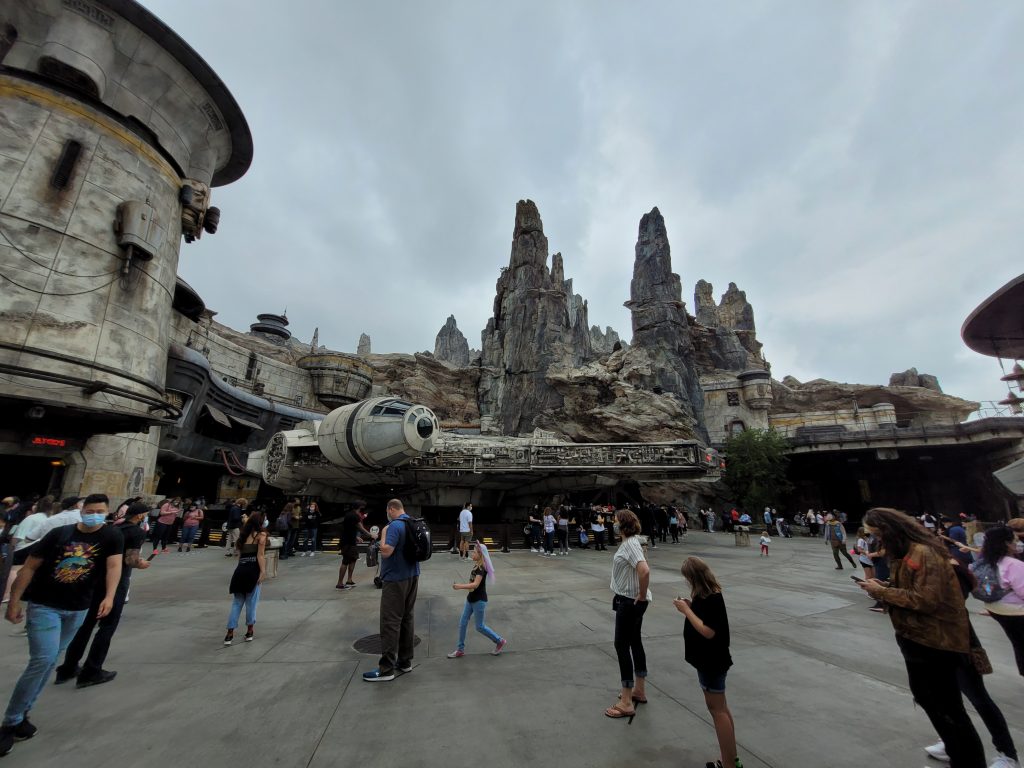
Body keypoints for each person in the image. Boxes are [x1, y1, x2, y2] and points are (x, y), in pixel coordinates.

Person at [858, 507, 986, 767]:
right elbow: (912, 590)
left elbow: (926, 599)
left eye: (877, 533)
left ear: (890, 530)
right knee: (929, 700)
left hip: (935, 643)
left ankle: (968, 761)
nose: (877, 540)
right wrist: (884, 587)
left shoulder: (923, 553)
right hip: (915, 639)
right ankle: (956, 753)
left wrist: (883, 594)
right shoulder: (905, 553)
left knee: (949, 710)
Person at [0, 494, 123, 757]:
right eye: (90, 510)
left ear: (107, 512)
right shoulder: (59, 534)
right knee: (42, 659)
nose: (94, 515)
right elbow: (29, 568)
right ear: (81, 510)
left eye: (99, 511)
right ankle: (10, 722)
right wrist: (14, 601)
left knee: (51, 659)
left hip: (78, 608)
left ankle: (22, 714)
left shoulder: (112, 536)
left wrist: (110, 596)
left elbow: (114, 567)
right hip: (45, 605)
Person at [923, 557, 1020, 768]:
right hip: (932, 646)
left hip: (957, 646)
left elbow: (954, 594)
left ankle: (1008, 754)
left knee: (979, 699)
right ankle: (953, 744)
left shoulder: (942, 567)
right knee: (947, 701)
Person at [55, 501, 150, 687]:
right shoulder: (136, 532)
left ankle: (68, 668)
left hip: (94, 580)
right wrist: (142, 563)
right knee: (107, 626)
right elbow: (130, 560)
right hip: (115, 582)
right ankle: (92, 670)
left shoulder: (110, 528)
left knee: (85, 625)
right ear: (140, 516)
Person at [674, 557, 738, 768]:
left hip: (711, 661)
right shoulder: (710, 594)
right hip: (713, 660)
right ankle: (730, 759)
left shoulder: (709, 598)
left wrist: (687, 611)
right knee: (722, 709)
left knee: (717, 711)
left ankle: (729, 764)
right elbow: (708, 619)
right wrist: (692, 606)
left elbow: (708, 631)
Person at [363, 499, 419, 682]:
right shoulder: (411, 522)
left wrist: (381, 538)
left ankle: (386, 669)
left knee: (390, 622)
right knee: (407, 618)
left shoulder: (394, 526)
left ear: (391, 509)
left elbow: (386, 551)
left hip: (395, 580)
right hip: (412, 576)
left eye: (388, 511)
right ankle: (405, 661)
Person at [605, 509, 650, 721]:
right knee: (635, 642)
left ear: (623, 525)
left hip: (629, 601)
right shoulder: (633, 543)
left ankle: (626, 701)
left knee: (621, 645)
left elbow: (644, 570)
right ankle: (639, 690)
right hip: (633, 600)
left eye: (615, 521)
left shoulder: (631, 544)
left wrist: (640, 594)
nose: (612, 524)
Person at [972, 525, 1024, 677]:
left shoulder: (987, 561)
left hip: (996, 609)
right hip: (1017, 612)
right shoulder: (1013, 564)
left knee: (1018, 643)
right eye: (1015, 540)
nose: (1018, 542)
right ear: (1007, 543)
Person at [447, 541, 506, 658]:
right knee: (462, 623)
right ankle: (460, 649)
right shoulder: (477, 565)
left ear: (480, 554)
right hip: (471, 599)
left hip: (479, 601)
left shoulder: (481, 568)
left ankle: (499, 641)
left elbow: (475, 585)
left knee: (479, 626)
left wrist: (459, 586)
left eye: (474, 552)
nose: (471, 553)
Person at [223, 510, 267, 645]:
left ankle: (229, 634)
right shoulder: (261, 535)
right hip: (253, 571)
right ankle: (249, 631)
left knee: (236, 603)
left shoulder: (242, 536)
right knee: (251, 603)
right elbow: (260, 555)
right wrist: (263, 572)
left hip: (240, 571)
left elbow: (240, 557)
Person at [337, 502, 375, 589]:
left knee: (353, 559)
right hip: (347, 542)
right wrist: (371, 535)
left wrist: (356, 537)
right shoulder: (355, 516)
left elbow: (348, 528)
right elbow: (361, 528)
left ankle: (349, 580)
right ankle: (339, 583)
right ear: (360, 507)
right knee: (345, 561)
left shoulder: (349, 515)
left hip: (350, 540)